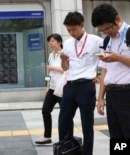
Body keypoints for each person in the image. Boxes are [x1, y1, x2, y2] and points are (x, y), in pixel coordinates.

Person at [58, 12, 102, 155]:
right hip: (70, 85)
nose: (71, 33)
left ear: (82, 25)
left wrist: (100, 76)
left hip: (86, 86)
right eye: (68, 30)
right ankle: (66, 150)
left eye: (73, 29)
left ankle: (87, 153)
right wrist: (64, 60)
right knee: (63, 121)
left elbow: (105, 61)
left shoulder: (96, 41)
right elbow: (65, 68)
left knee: (87, 124)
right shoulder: (68, 43)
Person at [92, 4, 130, 138]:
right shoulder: (107, 40)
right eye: (102, 30)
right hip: (112, 95)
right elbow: (104, 71)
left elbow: (117, 60)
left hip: (127, 93)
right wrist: (101, 97)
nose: (106, 32)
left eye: (108, 28)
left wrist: (118, 58)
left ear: (117, 19)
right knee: (116, 136)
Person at [34, 34, 64, 145]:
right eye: (49, 42)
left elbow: (65, 70)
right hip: (52, 89)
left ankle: (65, 138)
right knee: (45, 110)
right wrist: (47, 86)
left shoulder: (64, 55)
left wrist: (53, 68)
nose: (51, 43)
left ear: (59, 42)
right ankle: (47, 136)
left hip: (61, 89)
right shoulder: (51, 55)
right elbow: (48, 73)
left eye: (53, 41)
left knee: (65, 114)